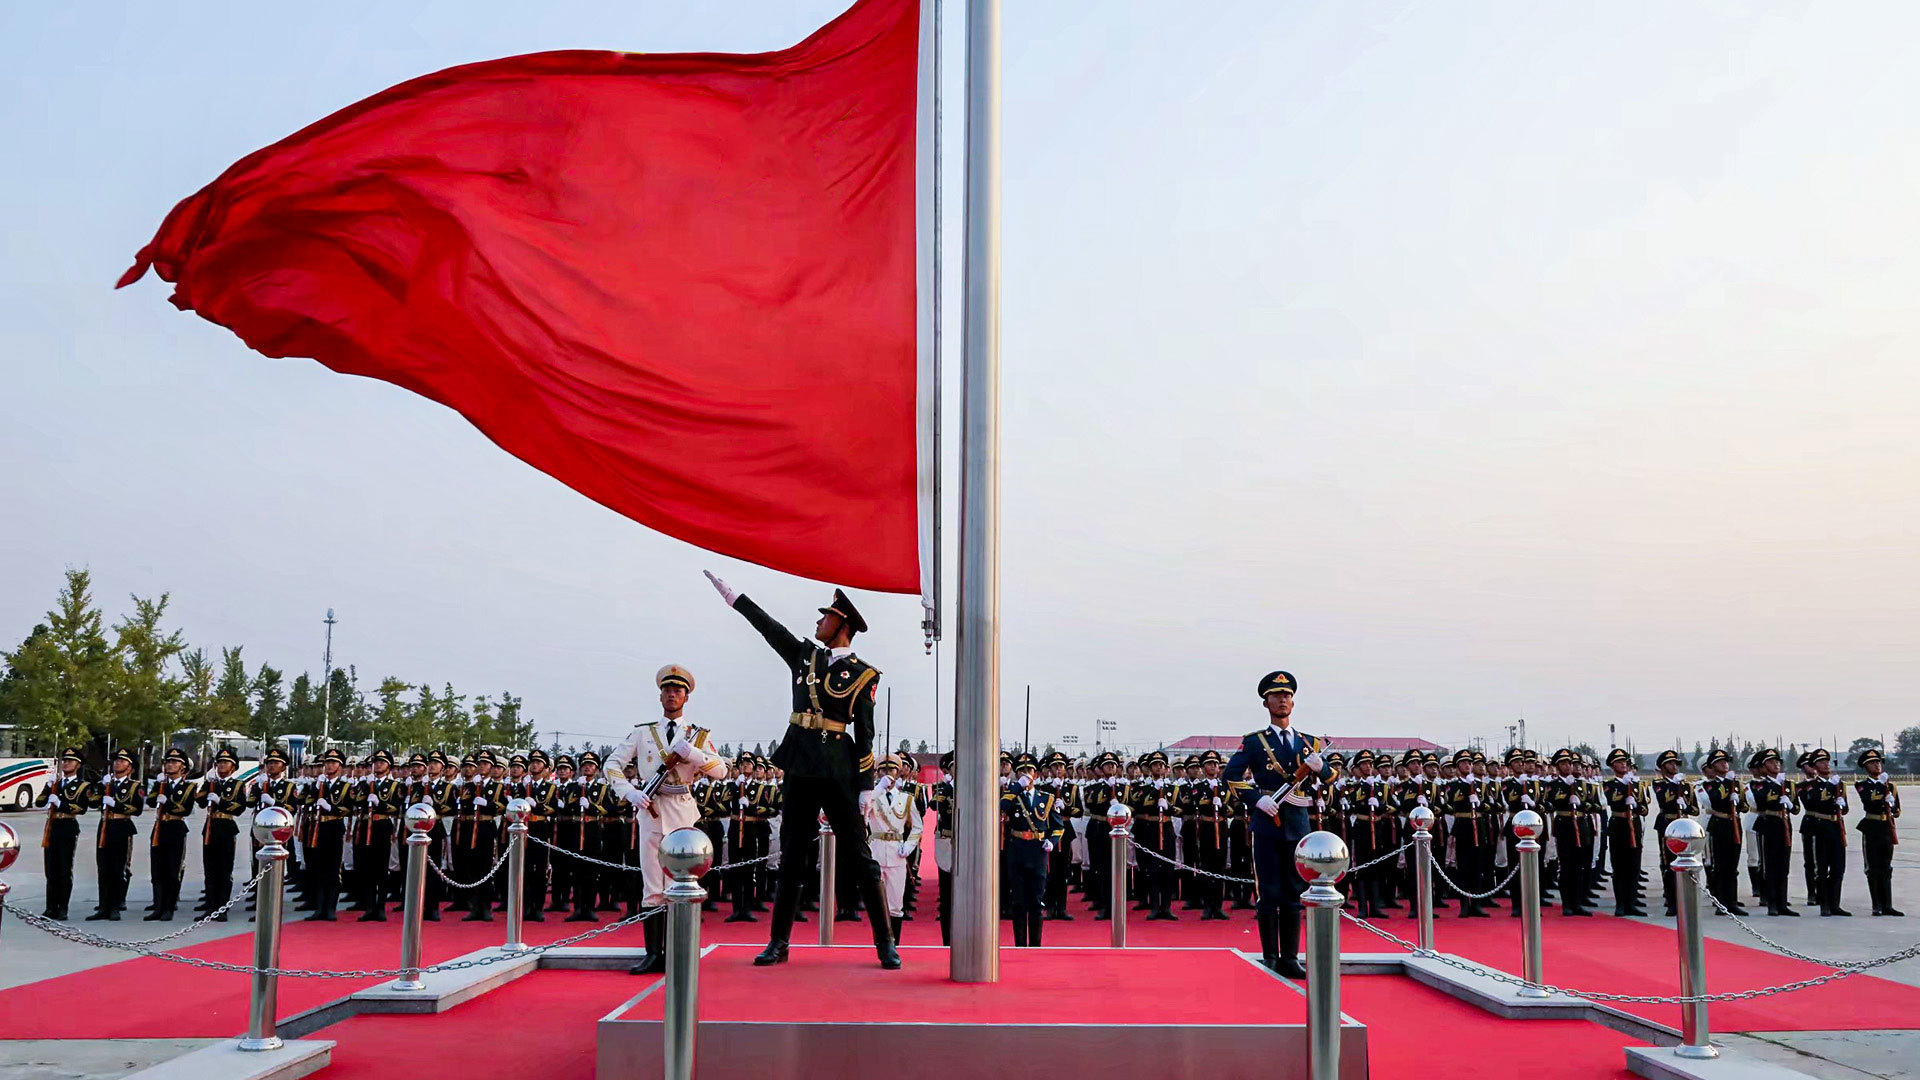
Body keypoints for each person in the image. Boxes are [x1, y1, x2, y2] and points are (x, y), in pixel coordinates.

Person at [704, 571, 900, 970]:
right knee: (792, 854)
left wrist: (865, 785)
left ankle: (885, 943)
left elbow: (866, 732)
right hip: (799, 763)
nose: (817, 623)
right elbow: (769, 628)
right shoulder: (805, 656)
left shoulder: (865, 674)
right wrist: (734, 596)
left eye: (824, 617)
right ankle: (779, 941)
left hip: (838, 769)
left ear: (841, 624)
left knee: (860, 857)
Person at [607, 664, 728, 972]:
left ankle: (678, 952)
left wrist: (694, 755)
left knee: (683, 885)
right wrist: (630, 792)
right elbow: (612, 764)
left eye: (678, 691)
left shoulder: (698, 736)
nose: (672, 694)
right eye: (667, 690)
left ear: (686, 697)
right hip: (651, 809)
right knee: (653, 884)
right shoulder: (643, 732)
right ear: (660, 695)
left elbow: (721, 771)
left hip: (683, 813)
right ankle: (652, 953)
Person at [1224, 670, 1334, 978]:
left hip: (1298, 825)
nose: (1282, 700)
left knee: (1294, 890)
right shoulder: (1255, 742)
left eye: (1286, 695)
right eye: (1276, 695)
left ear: (1293, 702)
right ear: (1266, 703)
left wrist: (1321, 767)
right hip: (1266, 822)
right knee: (1269, 890)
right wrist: (1257, 799)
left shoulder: (1309, 742)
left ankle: (1290, 958)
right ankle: (1270, 956)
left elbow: (1333, 780)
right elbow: (1231, 776)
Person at [865, 754, 923, 946]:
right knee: (877, 905)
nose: (887, 774)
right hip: (876, 851)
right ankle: (880, 943)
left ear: (899, 773)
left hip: (897, 854)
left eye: (891, 770)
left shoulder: (906, 799)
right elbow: (862, 811)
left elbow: (917, 827)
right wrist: (877, 789)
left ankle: (893, 945)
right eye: (883, 770)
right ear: (877, 772)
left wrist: (908, 846)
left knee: (896, 904)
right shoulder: (872, 796)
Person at [36, 748, 93, 920]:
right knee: (50, 869)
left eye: (70, 761)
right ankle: (50, 907)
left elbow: (82, 808)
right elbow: (39, 803)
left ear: (78, 765)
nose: (66, 763)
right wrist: (47, 788)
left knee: (63, 869)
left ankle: (62, 908)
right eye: (65, 760)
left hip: (67, 826)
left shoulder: (83, 786)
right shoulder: (56, 783)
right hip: (52, 827)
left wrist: (61, 803)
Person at [88, 749, 145, 921]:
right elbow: (92, 802)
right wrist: (100, 788)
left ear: (130, 767)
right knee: (103, 868)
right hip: (105, 825)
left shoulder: (135, 786)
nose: (117, 763)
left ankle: (115, 906)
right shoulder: (106, 783)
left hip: (122, 826)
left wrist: (116, 804)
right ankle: (103, 906)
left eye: (122, 761)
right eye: (116, 761)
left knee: (118, 868)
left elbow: (137, 809)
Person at [146, 748, 199, 921]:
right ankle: (158, 907)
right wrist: (161, 788)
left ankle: (169, 907)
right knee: (157, 870)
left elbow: (186, 809)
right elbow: (151, 800)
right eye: (168, 762)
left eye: (174, 762)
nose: (170, 765)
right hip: (159, 827)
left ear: (183, 767)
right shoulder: (161, 784)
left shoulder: (189, 787)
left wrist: (167, 802)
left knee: (172, 869)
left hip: (176, 828)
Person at [1748, 748, 1798, 917]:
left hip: (1784, 825)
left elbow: (1797, 809)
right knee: (1770, 865)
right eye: (1770, 762)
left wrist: (1789, 804)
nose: (1776, 764)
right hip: (1768, 824)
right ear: (1763, 767)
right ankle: (1772, 903)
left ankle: (1783, 903)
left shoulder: (1789, 785)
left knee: (1784, 866)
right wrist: (1778, 795)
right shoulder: (1759, 784)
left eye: (1777, 761)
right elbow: (1761, 800)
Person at [1698, 749, 1749, 916]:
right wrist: (1727, 789)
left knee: (1732, 865)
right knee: (1721, 865)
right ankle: (1721, 903)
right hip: (1719, 824)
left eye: (1726, 761)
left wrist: (1739, 799)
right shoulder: (1709, 785)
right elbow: (1714, 800)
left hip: (1734, 824)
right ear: (1713, 766)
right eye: (1720, 762)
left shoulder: (1735, 783)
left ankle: (1732, 901)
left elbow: (1745, 806)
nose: (1724, 764)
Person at [1800, 748, 1850, 917]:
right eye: (1822, 762)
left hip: (1836, 827)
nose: (1826, 764)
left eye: (1827, 761)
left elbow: (1845, 810)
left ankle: (1835, 903)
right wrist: (1830, 790)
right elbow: (1813, 801)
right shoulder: (1808, 785)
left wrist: (1842, 803)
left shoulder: (1839, 784)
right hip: (1820, 827)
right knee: (1822, 867)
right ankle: (1824, 904)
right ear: (1815, 766)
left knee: (1838, 867)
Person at [1545, 749, 1594, 917]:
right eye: (1564, 763)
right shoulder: (1554, 784)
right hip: (1565, 825)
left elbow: (1593, 805)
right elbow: (1549, 802)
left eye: (1570, 763)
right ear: (1558, 766)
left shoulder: (1582, 784)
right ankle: (1567, 903)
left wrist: (1582, 804)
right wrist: (1566, 797)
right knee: (1566, 867)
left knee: (1580, 866)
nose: (1568, 766)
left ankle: (1578, 902)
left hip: (1581, 824)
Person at [1648, 750, 1698, 917]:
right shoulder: (1659, 783)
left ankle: (1685, 899)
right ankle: (1671, 901)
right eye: (1670, 763)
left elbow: (1695, 809)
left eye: (1676, 763)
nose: (1674, 766)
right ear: (1662, 767)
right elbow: (1663, 799)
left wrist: (1686, 805)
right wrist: (1674, 788)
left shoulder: (1686, 785)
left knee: (1686, 862)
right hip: (1667, 824)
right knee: (1669, 863)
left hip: (1684, 826)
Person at [1854, 748, 1903, 916]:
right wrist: (1882, 790)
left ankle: (1887, 904)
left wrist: (1892, 804)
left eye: (1878, 762)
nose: (1877, 765)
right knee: (1873, 868)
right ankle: (1877, 905)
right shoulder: (1862, 785)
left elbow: (1897, 811)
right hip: (1872, 826)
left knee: (1886, 867)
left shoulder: (1891, 786)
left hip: (1886, 827)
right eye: (1873, 763)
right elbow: (1869, 800)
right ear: (1866, 767)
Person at [1602, 748, 1648, 917]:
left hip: (1634, 824)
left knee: (1634, 866)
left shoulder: (1636, 785)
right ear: (1613, 766)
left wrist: (1637, 805)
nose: (1624, 765)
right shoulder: (1609, 785)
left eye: (1625, 762)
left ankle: (1632, 902)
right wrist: (1623, 794)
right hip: (1618, 824)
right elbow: (1609, 800)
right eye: (1620, 762)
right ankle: (1620, 903)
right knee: (1619, 865)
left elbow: (1645, 809)